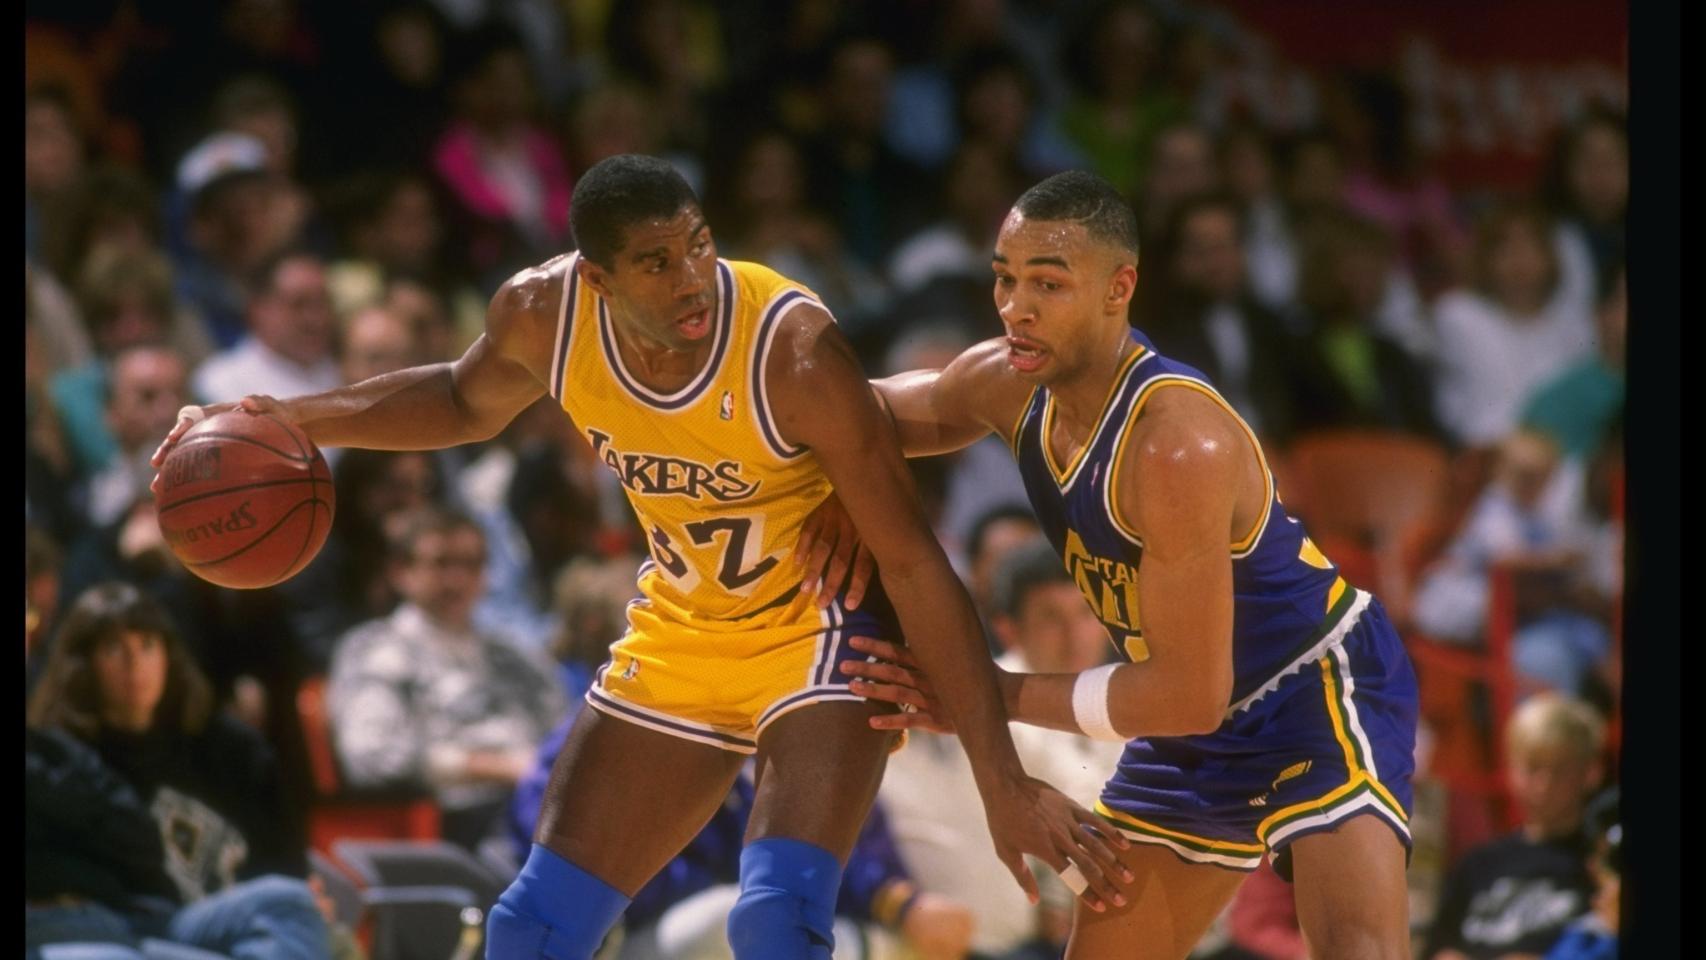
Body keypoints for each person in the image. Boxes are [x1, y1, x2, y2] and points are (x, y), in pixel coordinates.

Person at [153, 154, 1125, 959]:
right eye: (656, 263)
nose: (691, 276)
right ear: (597, 278)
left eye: (697, 243)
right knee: (529, 929)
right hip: (685, 626)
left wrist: (1000, 780)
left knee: (774, 925)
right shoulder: (543, 313)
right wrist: (292, 418)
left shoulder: (788, 345)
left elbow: (914, 561)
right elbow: (457, 399)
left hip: (821, 633)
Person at [835, 171, 1419, 958]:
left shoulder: (1176, 444)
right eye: (1005, 279)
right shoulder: (1006, 382)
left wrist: (986, 692)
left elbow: (1187, 695)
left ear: (1119, 289)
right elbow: (850, 414)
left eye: (1048, 284)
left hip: (1309, 688)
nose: (1015, 307)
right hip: (1190, 710)